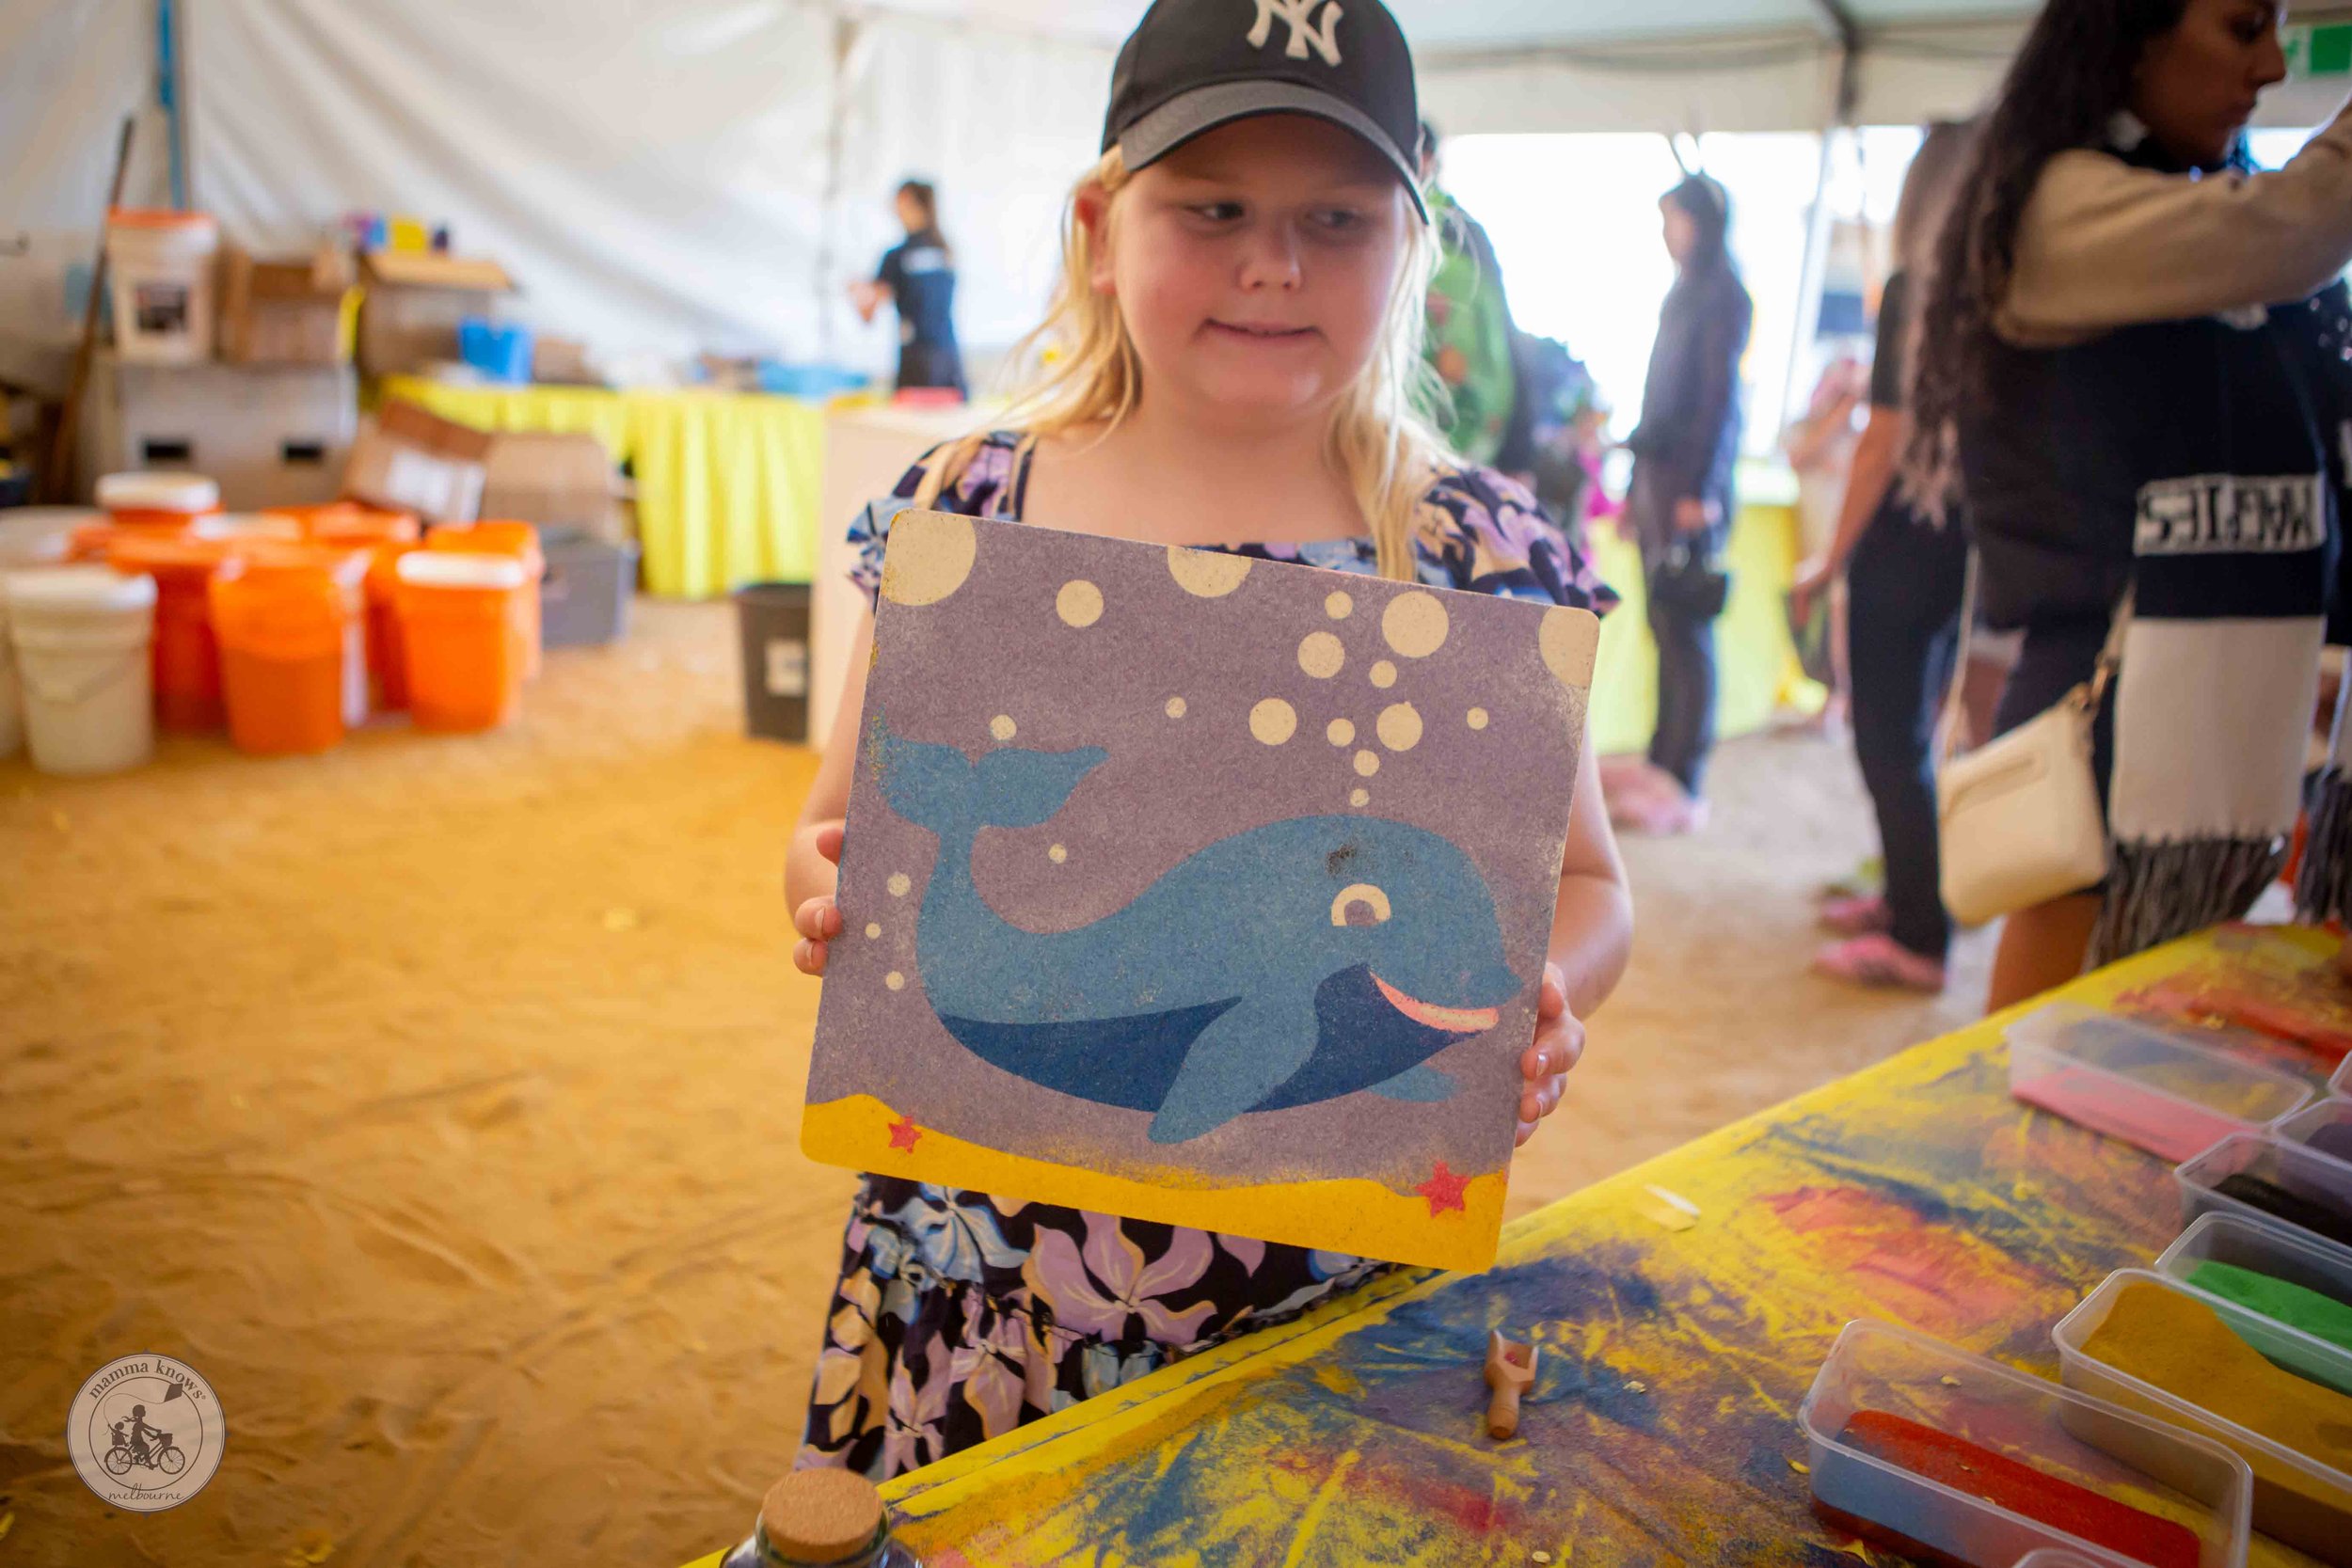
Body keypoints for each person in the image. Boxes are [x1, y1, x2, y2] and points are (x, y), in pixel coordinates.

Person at [785, 0, 1631, 1481]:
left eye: (1338, 216)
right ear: (1103, 226)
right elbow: (837, 808)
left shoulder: (1479, 554)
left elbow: (1592, 884)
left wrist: (1553, 995)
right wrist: (823, 880)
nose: (1271, 261)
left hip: (1332, 1294)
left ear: (1414, 241)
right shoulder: (972, 506)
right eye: (1214, 205)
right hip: (989, 1286)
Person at [1907, 0, 2352, 1010]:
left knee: (2174, 1039)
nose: (2275, 66)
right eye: (2243, 28)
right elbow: (2295, 230)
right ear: (2131, 34)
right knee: (2053, 1072)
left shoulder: (2182, 197)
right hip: (2113, 706)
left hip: (2229, 695)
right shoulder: (2065, 205)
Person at [1790, 120, 1980, 993]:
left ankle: (1918, 934)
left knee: (1887, 742)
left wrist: (1829, 559)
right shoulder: (1987, 291)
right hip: (1953, 546)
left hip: (1900, 547)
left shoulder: (1921, 287)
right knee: (1907, 738)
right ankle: (1909, 901)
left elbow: (1883, 440)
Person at [1613, 173, 1754, 836]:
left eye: (1676, 219)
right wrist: (1630, 486)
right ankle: (1660, 761)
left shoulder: (1725, 293)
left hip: (1689, 489)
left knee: (1688, 633)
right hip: (1655, 477)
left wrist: (1701, 491)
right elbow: (1658, 393)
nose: (1668, 232)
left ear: (1702, 221)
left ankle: (1685, 781)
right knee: (1662, 626)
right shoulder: (1683, 289)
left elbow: (1720, 402)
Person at [850, 180, 966, 396]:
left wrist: (857, 294)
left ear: (908, 202)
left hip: (917, 364)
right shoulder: (946, 250)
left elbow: (868, 313)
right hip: (948, 359)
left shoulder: (897, 257)